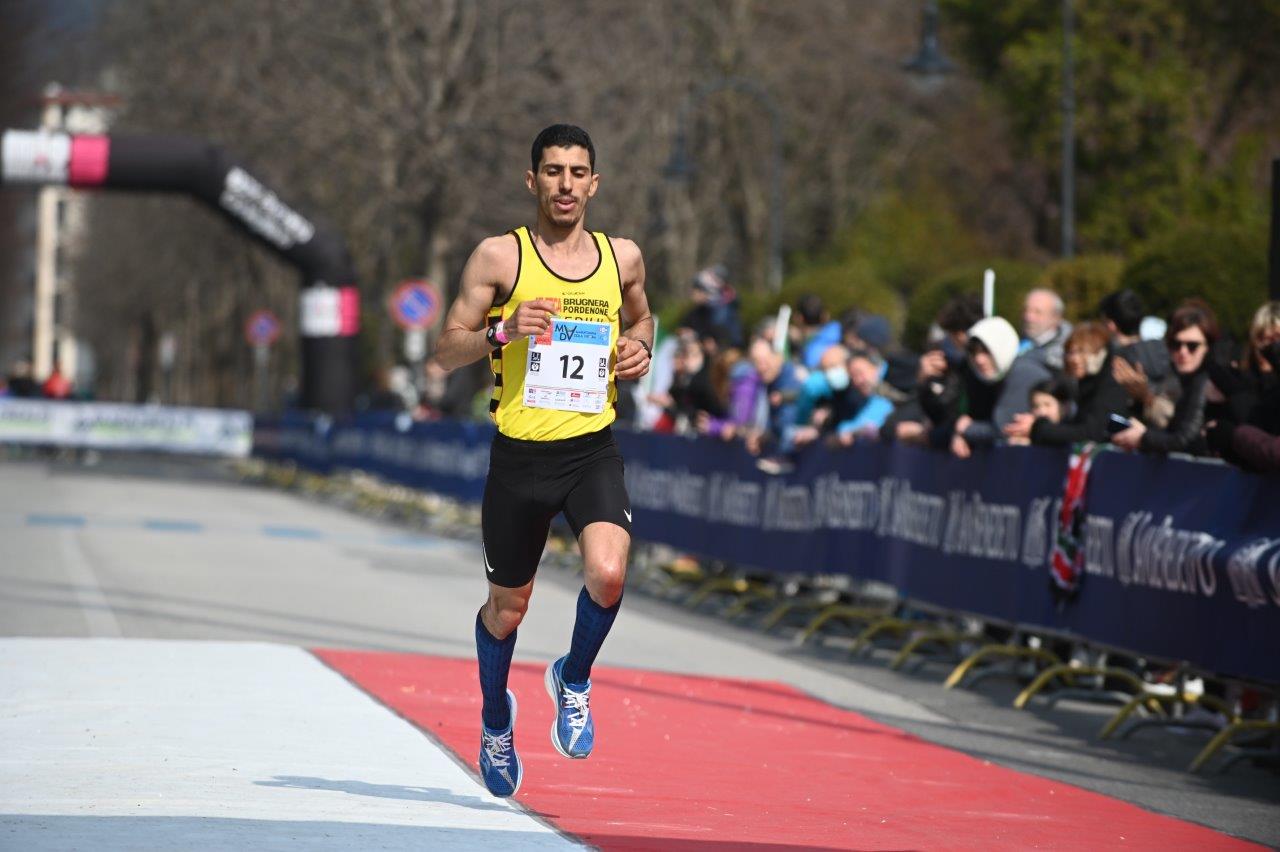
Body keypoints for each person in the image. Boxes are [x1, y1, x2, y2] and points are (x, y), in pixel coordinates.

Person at [432, 124, 653, 798]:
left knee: (608, 574)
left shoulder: (622, 257)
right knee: (508, 609)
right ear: (533, 180)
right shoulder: (500, 256)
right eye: (553, 171)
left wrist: (641, 349)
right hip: (520, 459)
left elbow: (643, 319)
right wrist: (502, 329)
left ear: (594, 183)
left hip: (591, 450)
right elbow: (445, 348)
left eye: (577, 172)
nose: (565, 184)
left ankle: (573, 678)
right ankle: (495, 720)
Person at [1112, 300, 1217, 456]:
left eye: (1192, 346)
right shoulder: (1180, 379)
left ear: (1207, 347)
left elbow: (1184, 439)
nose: (1183, 352)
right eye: (1176, 344)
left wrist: (1143, 437)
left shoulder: (1206, 381)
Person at [1003, 321, 1129, 446]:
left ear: (1099, 354)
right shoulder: (1084, 385)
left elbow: (1091, 433)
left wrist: (1037, 428)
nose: (1074, 359)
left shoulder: (1111, 384)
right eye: (1070, 352)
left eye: (1082, 351)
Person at [947, 316, 1051, 458]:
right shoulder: (986, 377)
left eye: (986, 351)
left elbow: (1005, 428)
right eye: (973, 352)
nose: (979, 360)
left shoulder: (1022, 372)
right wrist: (959, 433)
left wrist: (966, 429)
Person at [1020, 288, 1072, 371]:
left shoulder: (1068, 352)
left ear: (1055, 317)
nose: (1028, 317)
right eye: (1026, 310)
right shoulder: (1016, 343)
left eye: (1037, 312)